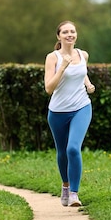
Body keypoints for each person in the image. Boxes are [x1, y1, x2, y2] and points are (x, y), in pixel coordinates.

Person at [44, 21, 96, 207]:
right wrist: (63, 67)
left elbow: (81, 72)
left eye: (72, 31)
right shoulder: (53, 57)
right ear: (59, 36)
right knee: (62, 152)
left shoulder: (83, 55)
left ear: (76, 35)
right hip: (57, 111)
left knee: (73, 148)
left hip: (82, 107)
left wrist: (88, 84)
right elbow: (49, 88)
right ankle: (65, 186)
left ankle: (74, 193)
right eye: (65, 32)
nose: (69, 34)